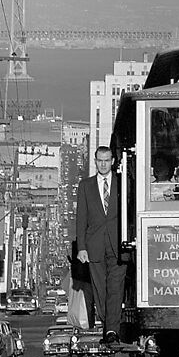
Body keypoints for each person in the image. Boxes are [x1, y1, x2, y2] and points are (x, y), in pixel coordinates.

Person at [76, 146, 126, 345]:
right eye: (100, 160)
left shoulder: (123, 183)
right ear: (95, 161)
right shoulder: (85, 186)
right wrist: (82, 247)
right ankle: (108, 324)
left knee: (115, 288)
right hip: (94, 245)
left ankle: (112, 330)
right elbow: (81, 218)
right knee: (100, 290)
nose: (103, 164)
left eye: (107, 160)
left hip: (118, 245)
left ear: (113, 161)